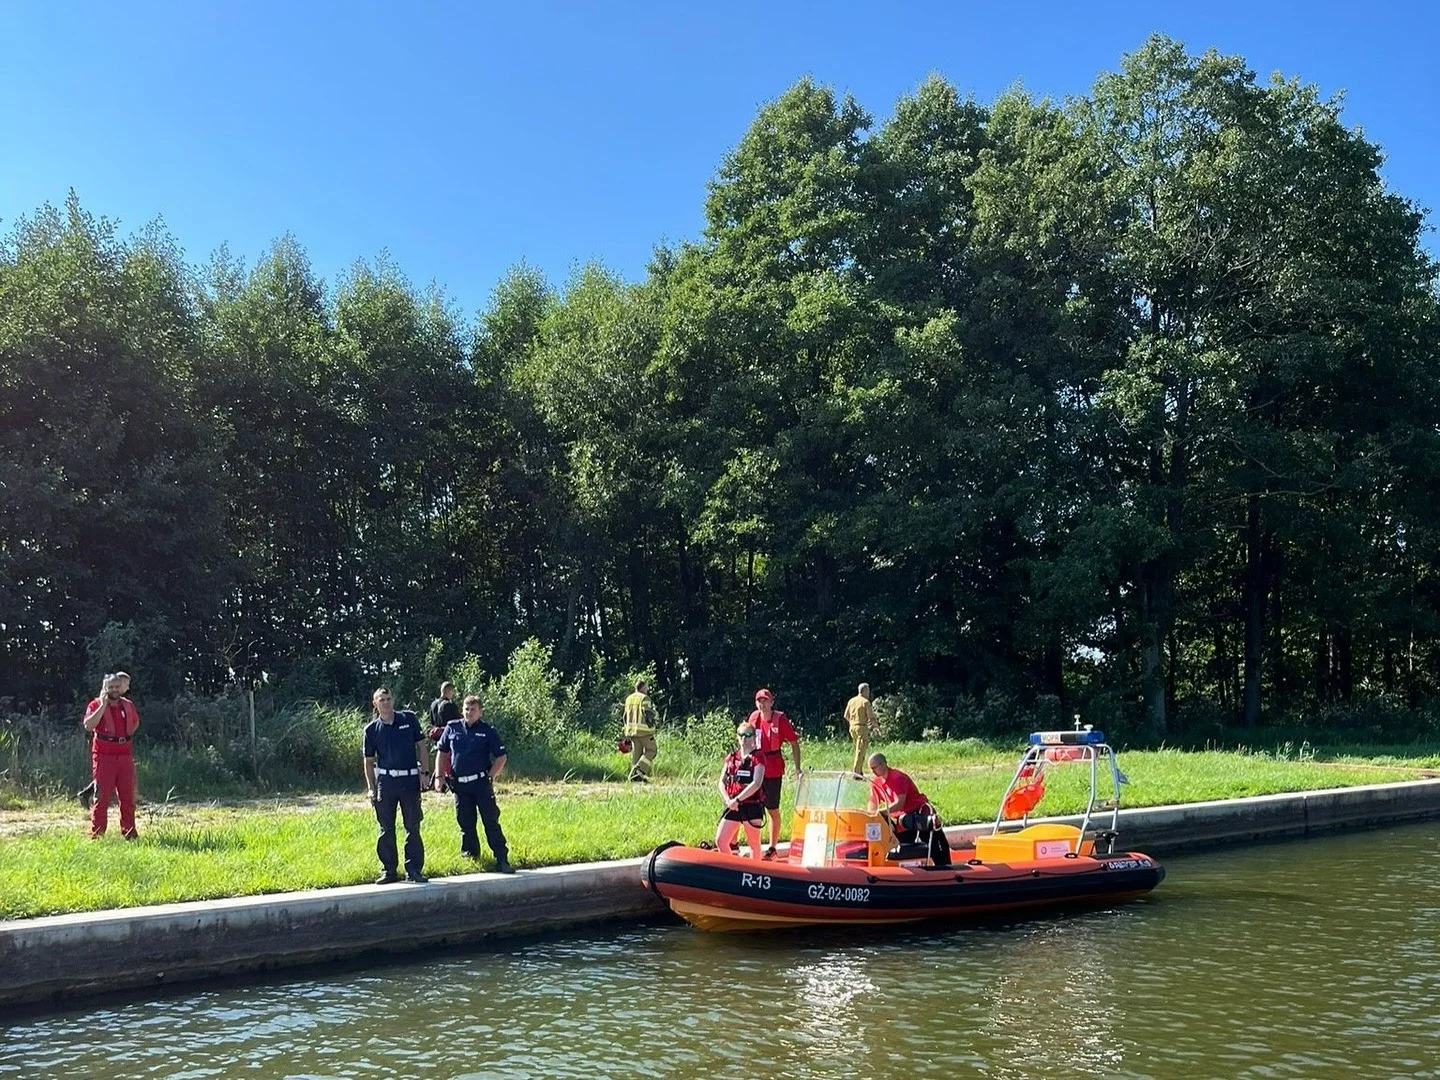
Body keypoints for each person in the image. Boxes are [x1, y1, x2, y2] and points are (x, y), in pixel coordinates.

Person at [435, 695, 514, 873]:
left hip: (481, 784)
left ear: (480, 712)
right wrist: (439, 777)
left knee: (490, 821)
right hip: (460, 785)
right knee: (465, 822)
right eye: (466, 709)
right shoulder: (452, 727)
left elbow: (502, 757)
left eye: (473, 709)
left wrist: (491, 776)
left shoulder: (487, 731)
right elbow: (442, 752)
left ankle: (501, 858)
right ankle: (471, 856)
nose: (469, 712)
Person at [363, 687, 431, 884]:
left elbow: (422, 747)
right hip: (386, 782)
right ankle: (389, 871)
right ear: (375, 704)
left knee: (413, 826)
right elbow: (368, 761)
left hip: (410, 780)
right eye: (381, 700)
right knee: (386, 828)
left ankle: (414, 870)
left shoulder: (408, 719)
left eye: (388, 698)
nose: (386, 702)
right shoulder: (371, 730)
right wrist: (371, 787)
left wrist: (424, 773)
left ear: (394, 700)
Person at [81, 671, 140, 839]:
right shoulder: (95, 705)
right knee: (102, 797)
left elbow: (135, 723)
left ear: (121, 687)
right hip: (103, 756)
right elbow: (88, 725)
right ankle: (97, 834)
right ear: (105, 688)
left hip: (125, 755)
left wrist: (123, 738)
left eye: (116, 686)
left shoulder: (128, 705)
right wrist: (103, 706)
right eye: (110, 687)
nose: (114, 690)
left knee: (127, 797)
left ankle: (129, 834)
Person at [867, 752, 951, 867]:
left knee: (935, 846)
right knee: (902, 849)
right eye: (870, 769)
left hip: (918, 814)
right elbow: (872, 803)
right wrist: (869, 815)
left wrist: (880, 812)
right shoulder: (876, 783)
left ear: (883, 764)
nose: (872, 772)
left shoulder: (897, 778)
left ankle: (945, 867)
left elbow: (899, 804)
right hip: (903, 819)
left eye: (874, 768)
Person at [749, 688, 802, 860]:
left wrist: (797, 768)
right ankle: (753, 846)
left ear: (772, 702)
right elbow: (746, 740)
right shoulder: (754, 718)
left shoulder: (780, 720)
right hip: (757, 766)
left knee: (772, 809)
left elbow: (794, 743)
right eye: (759, 701)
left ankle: (772, 847)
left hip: (773, 768)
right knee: (751, 807)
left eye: (765, 701)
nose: (762, 704)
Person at [715, 724, 766, 860]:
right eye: (741, 735)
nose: (744, 739)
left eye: (748, 735)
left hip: (751, 805)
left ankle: (755, 871)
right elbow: (721, 782)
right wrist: (728, 800)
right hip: (733, 804)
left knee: (754, 843)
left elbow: (757, 782)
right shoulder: (732, 758)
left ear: (753, 737)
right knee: (721, 840)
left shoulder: (758, 757)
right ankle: (730, 868)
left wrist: (738, 800)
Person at [622, 679, 659, 783]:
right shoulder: (645, 698)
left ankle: (635, 778)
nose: (647, 689)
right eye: (647, 687)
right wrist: (653, 720)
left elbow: (625, 716)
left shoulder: (629, 699)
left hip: (631, 731)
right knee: (652, 750)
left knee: (637, 754)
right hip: (644, 731)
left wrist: (626, 729)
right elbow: (648, 713)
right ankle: (638, 770)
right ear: (642, 687)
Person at [428, 681, 462, 792]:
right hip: (448, 734)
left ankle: (436, 780)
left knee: (440, 757)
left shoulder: (433, 704)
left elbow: (432, 721)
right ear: (449, 691)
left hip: (437, 735)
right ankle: (448, 782)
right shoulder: (449, 705)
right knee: (450, 760)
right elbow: (457, 721)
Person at [844, 682, 883, 775]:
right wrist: (878, 728)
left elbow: (846, 716)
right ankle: (856, 773)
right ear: (865, 691)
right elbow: (871, 718)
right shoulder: (865, 702)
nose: (868, 693)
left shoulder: (851, 701)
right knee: (860, 751)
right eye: (868, 691)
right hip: (861, 728)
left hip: (852, 727)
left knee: (859, 750)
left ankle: (859, 770)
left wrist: (853, 722)